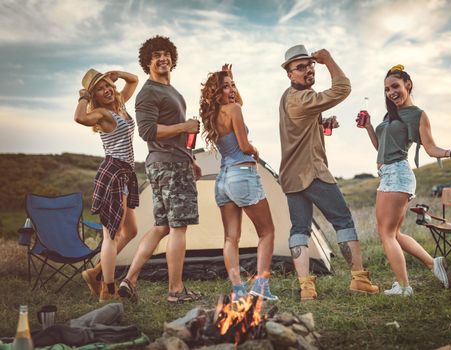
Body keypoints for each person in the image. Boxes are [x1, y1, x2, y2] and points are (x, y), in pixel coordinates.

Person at [359, 64, 451, 296]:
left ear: (407, 85)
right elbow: (381, 148)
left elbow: (430, 147)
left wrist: (450, 152)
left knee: (387, 235)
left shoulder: (417, 114)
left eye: (395, 86)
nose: (391, 92)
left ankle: (404, 287)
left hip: (398, 175)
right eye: (387, 89)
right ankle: (433, 264)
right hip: (388, 175)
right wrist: (370, 127)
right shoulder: (390, 115)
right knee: (394, 233)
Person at [279, 44, 379, 301]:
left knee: (299, 229)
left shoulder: (289, 97)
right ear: (290, 74)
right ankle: (359, 279)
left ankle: (306, 288)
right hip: (313, 173)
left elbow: (298, 127)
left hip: (291, 176)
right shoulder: (302, 98)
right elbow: (342, 88)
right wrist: (329, 60)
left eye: (310, 64)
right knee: (343, 220)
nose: (308, 69)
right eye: (300, 67)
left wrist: (322, 123)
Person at [117, 35, 202, 303]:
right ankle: (176, 290)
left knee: (162, 226)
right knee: (178, 228)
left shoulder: (172, 92)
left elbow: (175, 134)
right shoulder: (148, 93)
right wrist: (184, 127)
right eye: (156, 55)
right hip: (167, 165)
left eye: (166, 54)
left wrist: (190, 158)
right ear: (148, 62)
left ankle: (129, 279)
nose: (162, 58)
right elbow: (148, 131)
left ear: (172, 58)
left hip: (174, 161)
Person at [200, 65, 278, 301]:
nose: (232, 90)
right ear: (217, 91)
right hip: (242, 174)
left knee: (230, 238)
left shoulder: (213, 115)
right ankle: (261, 287)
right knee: (267, 232)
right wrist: (255, 150)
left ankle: (238, 290)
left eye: (233, 85)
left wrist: (229, 80)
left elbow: (237, 100)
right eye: (226, 87)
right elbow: (244, 146)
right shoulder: (233, 109)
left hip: (222, 180)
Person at [74, 69, 139, 302]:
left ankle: (95, 272)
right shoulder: (101, 114)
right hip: (113, 173)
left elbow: (134, 80)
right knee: (112, 233)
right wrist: (83, 97)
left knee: (130, 231)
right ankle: (108, 291)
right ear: (95, 97)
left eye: (108, 86)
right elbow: (80, 118)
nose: (107, 90)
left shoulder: (120, 105)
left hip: (126, 174)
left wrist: (117, 74)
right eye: (100, 89)